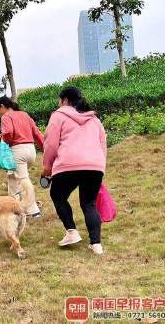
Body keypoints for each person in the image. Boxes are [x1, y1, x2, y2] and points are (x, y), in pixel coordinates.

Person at [42, 86, 107, 255]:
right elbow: (102, 144)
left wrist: (47, 166)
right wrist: (100, 167)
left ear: (64, 100)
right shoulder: (95, 119)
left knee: (58, 195)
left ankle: (71, 231)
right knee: (89, 204)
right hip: (95, 165)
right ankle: (96, 244)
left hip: (68, 164)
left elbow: (50, 143)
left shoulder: (59, 115)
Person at [0, 96, 44, 218]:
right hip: (30, 150)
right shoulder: (25, 115)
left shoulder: (6, 116)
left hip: (18, 151)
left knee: (23, 180)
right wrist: (45, 148)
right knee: (13, 179)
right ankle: (14, 209)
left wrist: (2, 138)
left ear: (2, 106)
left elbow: (8, 133)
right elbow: (37, 133)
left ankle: (33, 210)